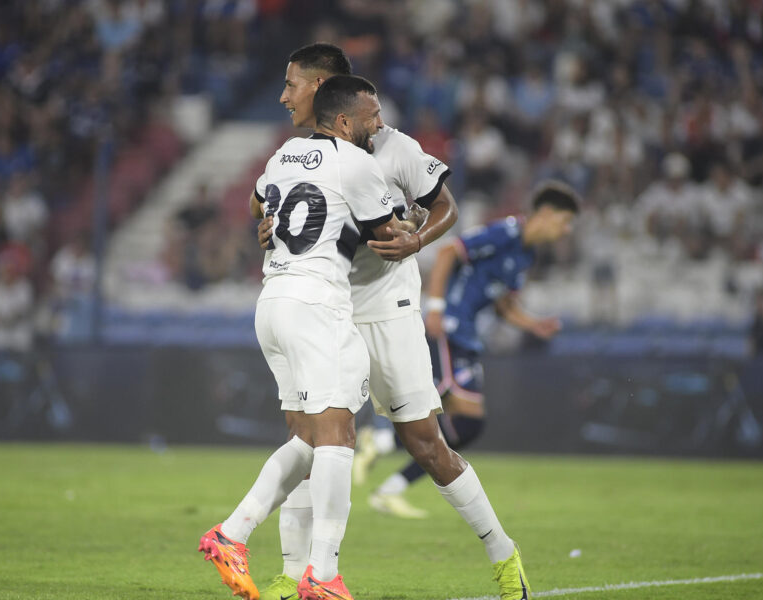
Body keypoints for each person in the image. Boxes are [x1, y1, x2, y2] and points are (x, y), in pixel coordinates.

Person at [256, 43, 531, 600]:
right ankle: (295, 577)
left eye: (292, 84)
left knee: (425, 443)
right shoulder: (294, 152)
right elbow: (271, 208)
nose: (284, 95)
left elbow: (446, 208)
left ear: (322, 88)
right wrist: (262, 226)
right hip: (324, 308)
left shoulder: (393, 146)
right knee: (308, 440)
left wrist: (416, 240)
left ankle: (505, 556)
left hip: (387, 311)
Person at [199, 74, 408, 600]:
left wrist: (269, 220)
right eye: (370, 118)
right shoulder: (356, 162)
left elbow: (257, 207)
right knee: (338, 437)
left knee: (310, 438)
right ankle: (322, 575)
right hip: (318, 304)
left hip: (272, 303)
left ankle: (232, 533)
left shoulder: (283, 154)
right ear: (343, 121)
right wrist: (414, 226)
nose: (377, 126)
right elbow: (388, 239)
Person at [367, 181, 580, 528]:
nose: (565, 230)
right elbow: (451, 250)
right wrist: (435, 307)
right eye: (565, 220)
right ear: (546, 214)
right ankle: (380, 448)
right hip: (449, 327)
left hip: (467, 337)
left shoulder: (525, 255)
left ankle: (388, 474)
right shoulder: (507, 232)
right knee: (435, 409)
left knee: (466, 424)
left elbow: (503, 304)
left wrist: (533, 324)